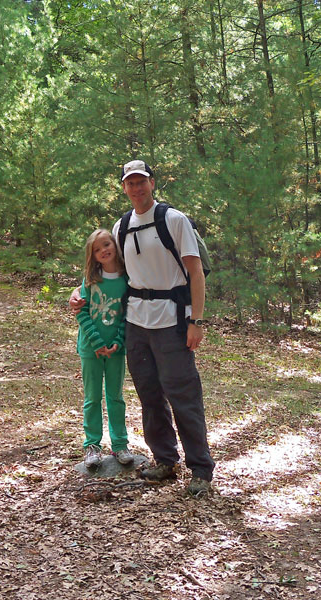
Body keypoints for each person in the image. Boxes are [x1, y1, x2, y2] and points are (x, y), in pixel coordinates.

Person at [70, 160, 214, 496]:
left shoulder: (173, 220)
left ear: (152, 183)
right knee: (150, 396)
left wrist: (196, 321)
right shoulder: (121, 228)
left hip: (172, 321)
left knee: (183, 395)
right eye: (130, 183)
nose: (136, 188)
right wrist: (78, 292)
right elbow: (104, 269)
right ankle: (165, 460)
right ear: (124, 187)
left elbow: (195, 273)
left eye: (141, 182)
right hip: (136, 323)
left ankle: (201, 469)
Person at [76, 228, 133, 468]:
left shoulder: (126, 279)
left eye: (107, 244)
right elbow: (81, 312)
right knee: (92, 397)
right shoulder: (90, 279)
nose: (104, 251)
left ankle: (120, 445)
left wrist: (118, 341)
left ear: (115, 245)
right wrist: (97, 343)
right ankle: (92, 446)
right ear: (93, 255)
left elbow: (127, 315)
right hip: (91, 349)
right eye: (97, 249)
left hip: (116, 350)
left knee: (115, 397)